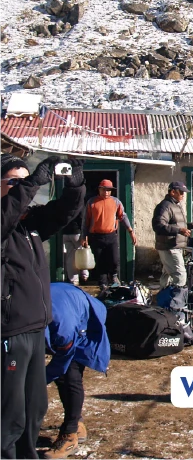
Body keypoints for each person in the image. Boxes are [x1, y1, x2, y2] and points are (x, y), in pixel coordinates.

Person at [0, 154, 85, 460]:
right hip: (9, 331)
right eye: (14, 182)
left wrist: (75, 185)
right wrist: (31, 183)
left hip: (36, 328)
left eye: (26, 183)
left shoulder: (29, 224)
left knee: (34, 406)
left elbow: (65, 212)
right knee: (9, 412)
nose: (23, 189)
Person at [42, 283, 109, 459]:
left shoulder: (62, 327)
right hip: (64, 303)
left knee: (69, 375)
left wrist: (40, 380)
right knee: (62, 376)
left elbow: (62, 360)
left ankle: (70, 435)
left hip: (84, 319)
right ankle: (76, 422)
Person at [79, 179, 137, 287]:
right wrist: (84, 236)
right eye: (104, 189)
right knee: (100, 261)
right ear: (99, 189)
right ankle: (103, 284)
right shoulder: (91, 202)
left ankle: (114, 276)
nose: (106, 192)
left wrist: (130, 231)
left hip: (111, 236)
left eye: (109, 190)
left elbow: (123, 216)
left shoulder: (116, 202)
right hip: (96, 236)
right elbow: (86, 221)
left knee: (114, 259)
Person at [152, 182, 193, 289]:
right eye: (181, 192)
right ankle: (176, 298)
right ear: (173, 192)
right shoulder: (165, 206)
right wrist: (179, 230)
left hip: (174, 246)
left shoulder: (175, 205)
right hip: (169, 247)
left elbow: (177, 223)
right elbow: (158, 225)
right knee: (180, 276)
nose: (183, 195)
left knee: (167, 275)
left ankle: (163, 296)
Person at [61, 209, 88, 286]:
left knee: (70, 257)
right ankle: (84, 274)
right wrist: (84, 235)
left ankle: (74, 280)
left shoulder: (64, 205)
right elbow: (82, 220)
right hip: (77, 232)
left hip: (65, 233)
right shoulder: (80, 206)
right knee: (82, 253)